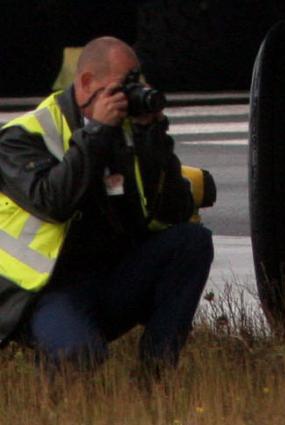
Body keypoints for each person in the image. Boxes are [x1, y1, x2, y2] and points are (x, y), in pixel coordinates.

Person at [0, 36, 213, 376]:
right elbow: (54, 202)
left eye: (134, 85)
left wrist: (153, 138)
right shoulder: (23, 137)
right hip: (47, 292)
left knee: (192, 241)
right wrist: (96, 133)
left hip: (109, 278)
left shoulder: (126, 131)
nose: (127, 97)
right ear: (86, 84)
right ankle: (57, 365)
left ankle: (156, 373)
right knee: (80, 356)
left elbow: (170, 210)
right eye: (121, 87)